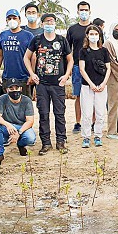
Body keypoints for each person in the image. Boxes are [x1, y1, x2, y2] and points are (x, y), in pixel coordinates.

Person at [25, 13, 73, 154]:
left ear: (55, 24)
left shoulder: (62, 40)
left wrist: (66, 76)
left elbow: (70, 60)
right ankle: (46, 143)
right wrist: (32, 74)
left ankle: (61, 142)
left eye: (52, 21)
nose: (49, 24)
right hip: (42, 85)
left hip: (58, 84)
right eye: (47, 21)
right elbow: (26, 58)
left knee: (59, 114)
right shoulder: (37, 40)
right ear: (42, 24)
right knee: (44, 114)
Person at [0, 77, 36, 167]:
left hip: (22, 127)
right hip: (7, 127)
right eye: (11, 88)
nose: (14, 91)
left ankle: (20, 144)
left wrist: (19, 133)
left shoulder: (27, 100)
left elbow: (30, 121)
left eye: (16, 88)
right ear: (7, 90)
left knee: (31, 138)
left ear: (21, 89)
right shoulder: (2, 99)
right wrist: (8, 125)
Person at [79, 25, 111, 148]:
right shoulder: (83, 51)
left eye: (96, 34)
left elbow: (108, 68)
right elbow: (82, 69)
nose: (94, 36)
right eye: (91, 34)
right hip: (87, 87)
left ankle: (98, 135)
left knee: (100, 113)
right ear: (87, 35)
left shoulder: (103, 51)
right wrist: (91, 84)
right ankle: (86, 137)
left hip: (101, 86)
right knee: (87, 113)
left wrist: (103, 84)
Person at [0, 8, 34, 97]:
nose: (12, 20)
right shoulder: (3, 35)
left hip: (23, 78)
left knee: (24, 107)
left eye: (14, 18)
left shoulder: (28, 35)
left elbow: (33, 57)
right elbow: (0, 56)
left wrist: (32, 74)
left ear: (19, 20)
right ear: (6, 21)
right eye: (9, 18)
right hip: (7, 78)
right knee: (7, 107)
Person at [67, 1, 92, 133]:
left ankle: (93, 122)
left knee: (93, 95)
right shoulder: (72, 29)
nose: (84, 12)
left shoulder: (94, 28)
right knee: (78, 95)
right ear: (77, 12)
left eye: (86, 10)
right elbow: (67, 50)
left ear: (90, 11)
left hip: (92, 67)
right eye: (81, 10)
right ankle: (78, 122)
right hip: (77, 67)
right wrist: (68, 67)